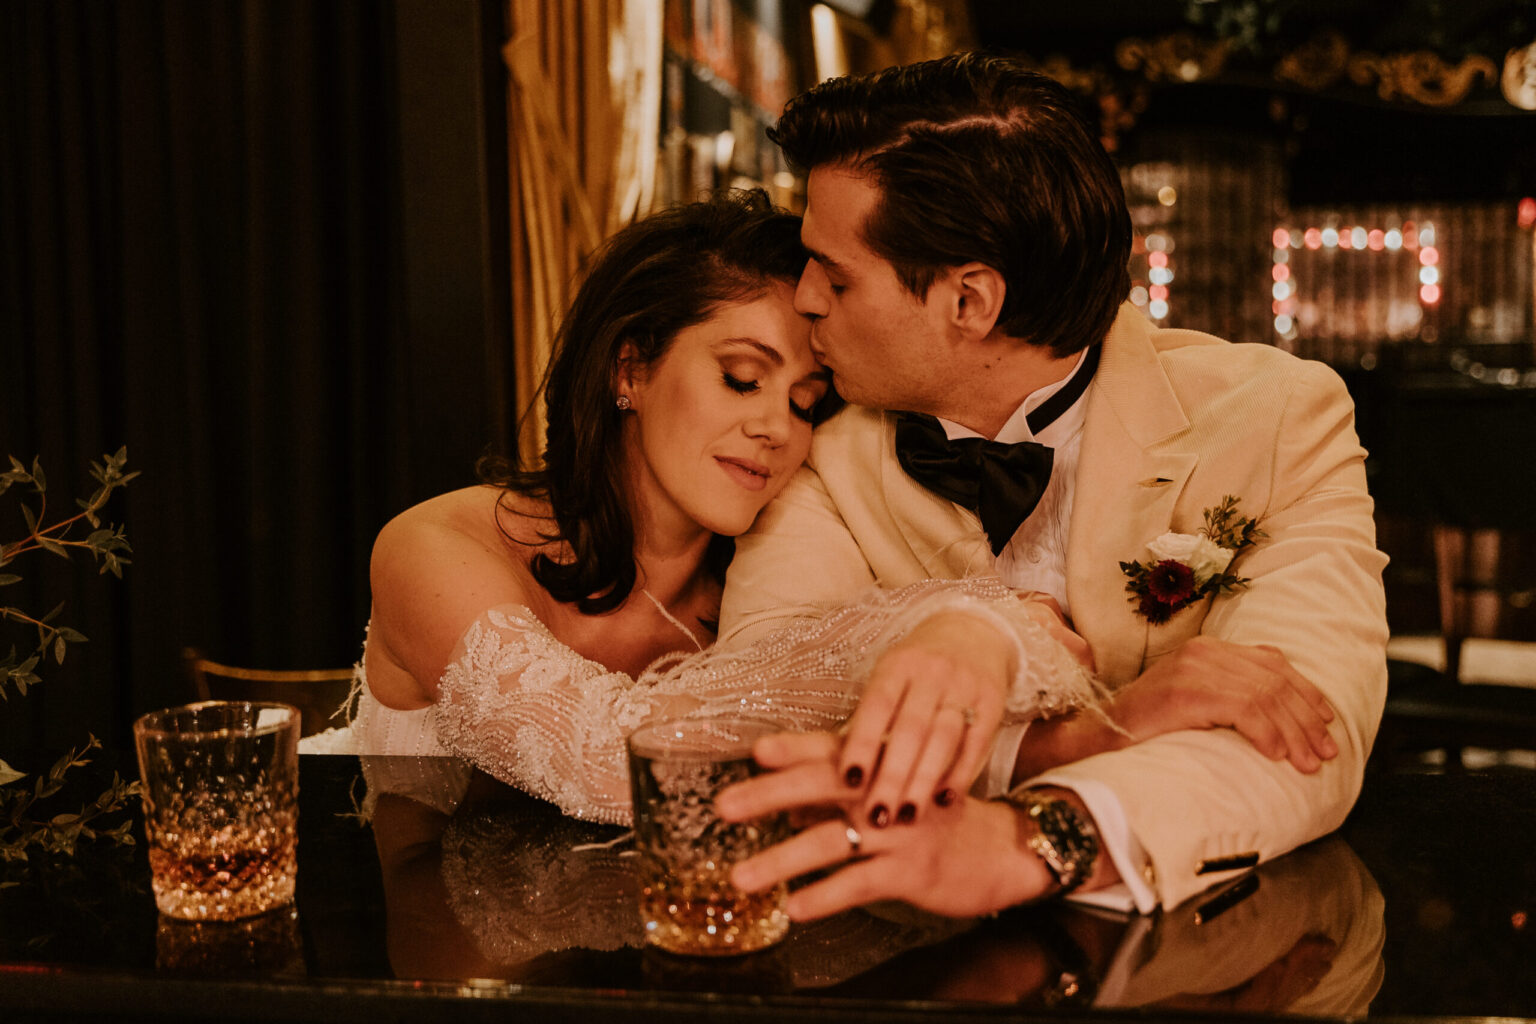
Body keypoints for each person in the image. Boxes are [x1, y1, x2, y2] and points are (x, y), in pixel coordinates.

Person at [713, 53, 1389, 914]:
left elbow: (1306, 738)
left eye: (835, 275)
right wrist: (1089, 730)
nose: (804, 298)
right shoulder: (817, 449)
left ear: (970, 302)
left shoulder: (1278, 417)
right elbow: (754, 722)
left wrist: (1028, 840)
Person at [336, 188, 1102, 824]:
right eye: (742, 378)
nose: (776, 428)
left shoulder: (774, 584)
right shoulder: (437, 546)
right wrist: (965, 621)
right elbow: (610, 764)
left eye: (805, 402)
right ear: (629, 370)